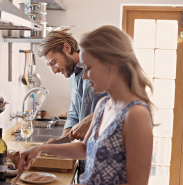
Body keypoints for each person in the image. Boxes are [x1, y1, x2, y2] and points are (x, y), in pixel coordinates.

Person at [18, 25, 154, 185]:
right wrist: (40, 149)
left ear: (111, 64)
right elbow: (84, 149)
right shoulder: (103, 105)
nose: (83, 76)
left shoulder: (136, 114)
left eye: (89, 68)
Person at [38, 31, 107, 141]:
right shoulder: (71, 75)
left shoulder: (99, 66)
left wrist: (92, 119)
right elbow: (74, 113)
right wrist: (62, 142)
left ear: (67, 48)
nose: (54, 71)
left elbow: (119, 103)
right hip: (87, 149)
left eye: (54, 62)